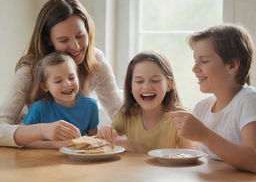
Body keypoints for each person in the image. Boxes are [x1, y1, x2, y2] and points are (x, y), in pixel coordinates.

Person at [0, 0, 122, 147]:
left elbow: (120, 114)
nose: (76, 47)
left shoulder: (96, 62)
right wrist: (43, 130)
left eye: (80, 36)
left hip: (73, 156)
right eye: (64, 40)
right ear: (48, 41)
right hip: (33, 155)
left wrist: (111, 130)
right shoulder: (29, 71)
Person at [170, 24, 256, 173]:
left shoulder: (248, 100)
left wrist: (204, 134)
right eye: (195, 60)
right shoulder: (201, 107)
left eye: (203, 61)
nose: (194, 68)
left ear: (232, 65)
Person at [97, 51, 193, 152]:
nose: (146, 87)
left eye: (155, 80)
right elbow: (107, 139)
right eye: (139, 81)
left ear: (169, 85)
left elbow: (190, 158)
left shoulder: (181, 119)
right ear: (130, 86)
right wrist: (106, 131)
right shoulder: (126, 115)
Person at [22, 52, 99, 149]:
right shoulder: (39, 108)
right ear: (44, 86)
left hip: (76, 160)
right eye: (58, 81)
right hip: (43, 160)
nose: (67, 84)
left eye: (71, 78)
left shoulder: (91, 106)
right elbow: (25, 142)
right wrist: (56, 145)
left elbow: (94, 139)